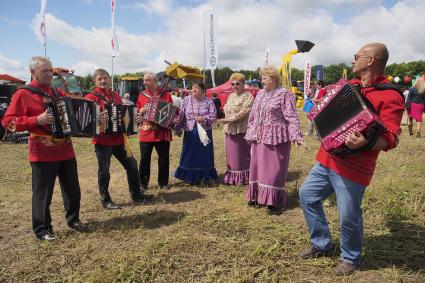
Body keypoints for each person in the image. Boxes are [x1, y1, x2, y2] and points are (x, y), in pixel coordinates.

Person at [298, 43, 405, 276]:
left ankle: (351, 257)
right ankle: (321, 243)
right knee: (307, 195)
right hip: (326, 158)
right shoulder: (349, 86)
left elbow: (392, 137)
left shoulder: (390, 94)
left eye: (357, 56)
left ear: (371, 61)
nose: (353, 59)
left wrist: (366, 143)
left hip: (355, 166)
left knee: (348, 214)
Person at [1, 56, 88, 241]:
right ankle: (42, 229)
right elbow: (8, 122)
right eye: (45, 71)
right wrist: (35, 120)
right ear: (32, 72)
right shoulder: (23, 94)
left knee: (73, 190)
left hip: (65, 149)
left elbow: (74, 113)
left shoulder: (57, 92)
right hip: (42, 152)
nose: (49, 74)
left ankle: (74, 220)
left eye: (50, 70)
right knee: (43, 193)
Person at [85, 69, 151, 210]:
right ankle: (106, 199)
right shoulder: (91, 97)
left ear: (109, 79)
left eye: (105, 78)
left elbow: (122, 114)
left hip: (119, 140)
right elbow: (84, 120)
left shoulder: (115, 95)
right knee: (104, 171)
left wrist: (135, 118)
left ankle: (136, 195)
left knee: (132, 165)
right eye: (99, 79)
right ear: (94, 81)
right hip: (102, 141)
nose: (103, 81)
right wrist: (97, 119)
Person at [245, 66, 304, 211]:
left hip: (276, 137)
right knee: (257, 167)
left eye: (265, 78)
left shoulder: (285, 94)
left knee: (272, 169)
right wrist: (250, 132)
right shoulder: (259, 94)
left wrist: (296, 135)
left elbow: (291, 116)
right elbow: (253, 116)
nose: (262, 80)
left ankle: (272, 200)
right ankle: (257, 196)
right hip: (260, 136)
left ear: (275, 79)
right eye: (262, 77)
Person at [174, 81, 218, 184]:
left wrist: (203, 118)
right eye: (193, 87)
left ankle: (204, 177)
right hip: (190, 131)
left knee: (204, 155)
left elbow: (213, 115)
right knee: (189, 154)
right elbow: (181, 115)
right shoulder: (186, 100)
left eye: (197, 87)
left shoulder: (209, 101)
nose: (194, 89)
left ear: (203, 90)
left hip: (204, 132)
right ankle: (189, 177)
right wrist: (177, 126)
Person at [136, 72, 173, 190]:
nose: (145, 83)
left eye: (147, 80)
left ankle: (163, 183)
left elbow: (170, 110)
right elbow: (137, 112)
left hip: (162, 132)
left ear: (155, 81)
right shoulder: (142, 95)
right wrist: (140, 111)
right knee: (144, 158)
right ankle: (143, 183)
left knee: (163, 158)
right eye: (144, 80)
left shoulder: (165, 94)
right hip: (146, 132)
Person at [219, 73, 254, 185]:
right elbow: (226, 109)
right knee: (232, 155)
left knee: (242, 155)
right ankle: (232, 177)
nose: (235, 86)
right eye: (232, 84)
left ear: (243, 84)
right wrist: (226, 118)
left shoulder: (248, 96)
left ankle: (244, 178)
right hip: (230, 129)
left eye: (237, 83)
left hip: (241, 130)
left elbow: (245, 112)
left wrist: (230, 119)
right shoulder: (231, 96)